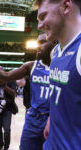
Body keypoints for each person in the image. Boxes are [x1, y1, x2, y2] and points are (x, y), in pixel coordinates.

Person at [0, 32, 55, 150]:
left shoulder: (63, 66)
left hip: (54, 119)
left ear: (54, 42)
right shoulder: (31, 66)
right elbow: (5, 76)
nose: (38, 47)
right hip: (34, 118)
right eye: (37, 43)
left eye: (42, 43)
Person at [33, 0, 81, 149]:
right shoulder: (55, 52)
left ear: (66, 6)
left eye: (43, 17)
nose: (39, 26)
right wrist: (51, 118)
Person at [0, 68, 18, 150]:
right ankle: (0, 145)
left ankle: (6, 147)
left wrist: (4, 85)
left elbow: (13, 93)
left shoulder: (11, 79)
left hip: (8, 107)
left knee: (6, 129)